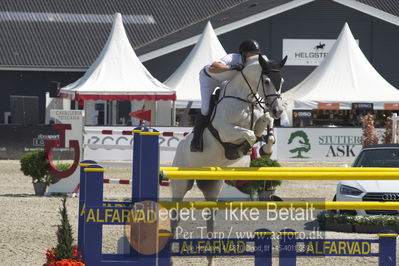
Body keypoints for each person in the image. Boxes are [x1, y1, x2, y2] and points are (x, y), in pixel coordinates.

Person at [190, 39, 262, 152]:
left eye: (255, 54)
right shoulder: (232, 58)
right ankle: (195, 140)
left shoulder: (251, 63)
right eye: (251, 53)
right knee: (206, 109)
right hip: (209, 78)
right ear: (243, 53)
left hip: (226, 80)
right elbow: (213, 67)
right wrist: (232, 67)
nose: (254, 56)